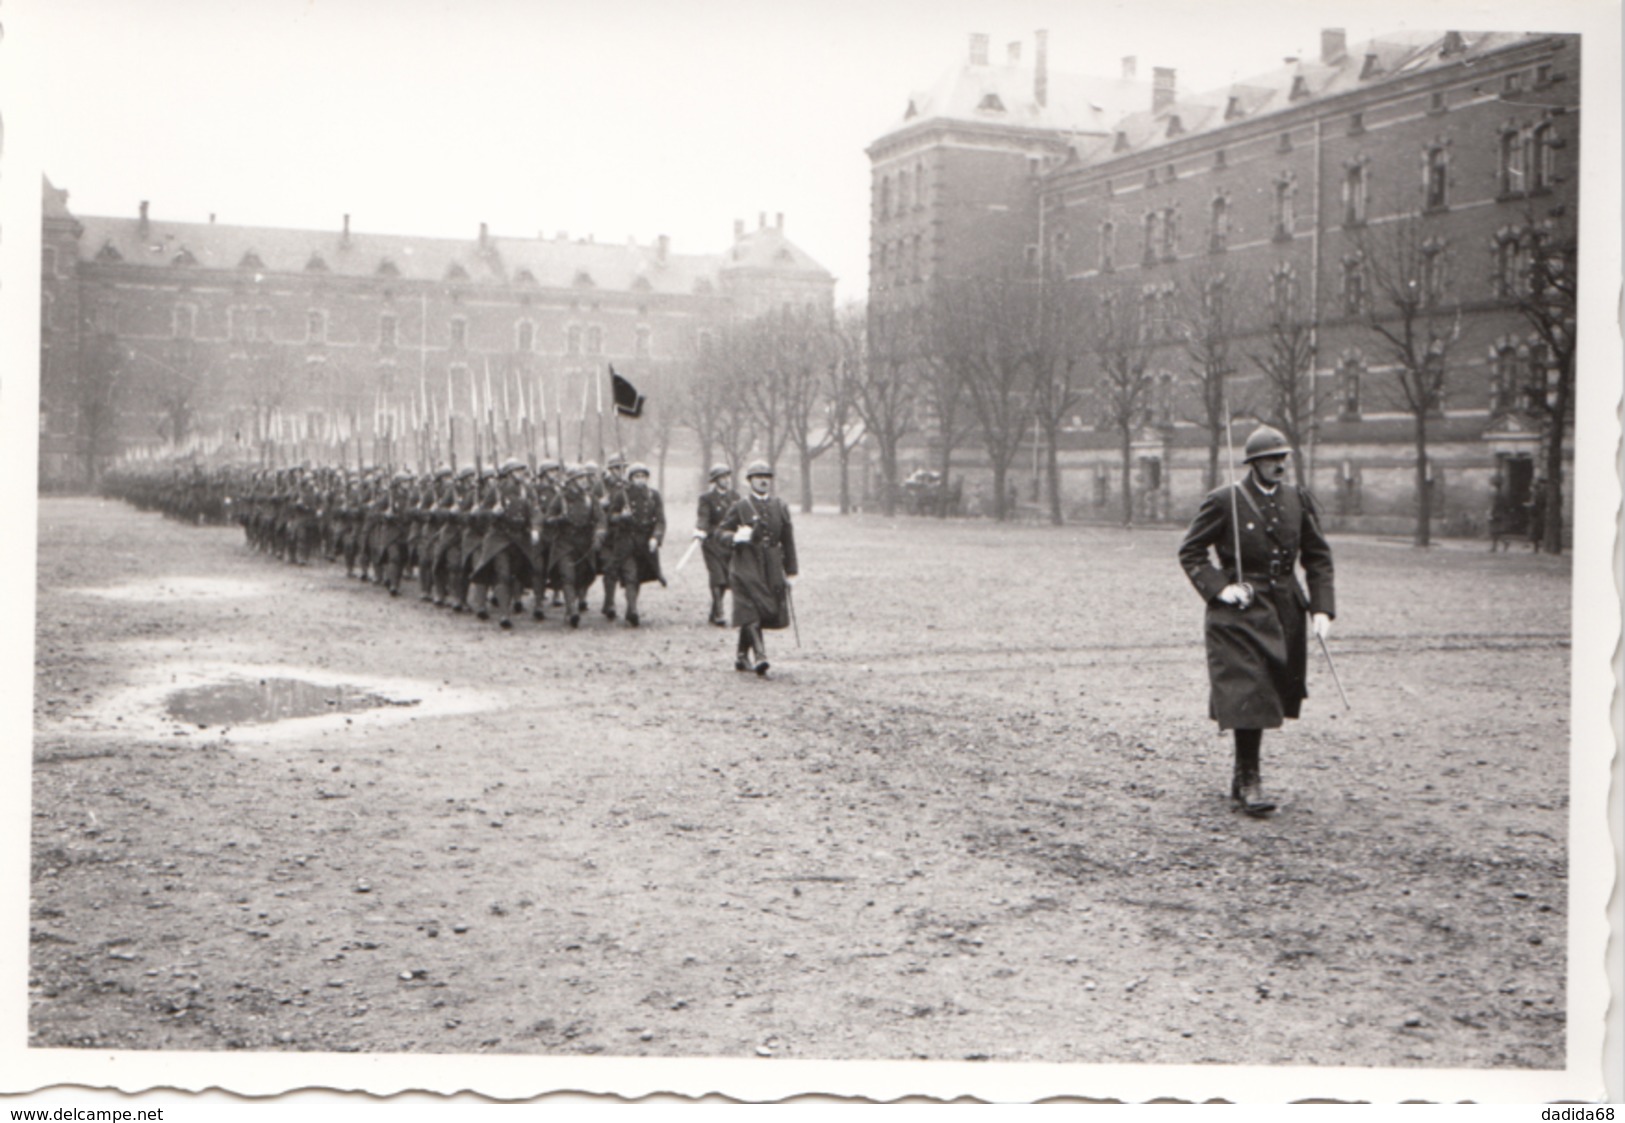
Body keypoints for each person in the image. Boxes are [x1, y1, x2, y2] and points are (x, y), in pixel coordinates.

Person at [1176, 425, 1335, 816]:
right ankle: (1251, 780)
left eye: (1283, 458)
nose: (1279, 465)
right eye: (1271, 458)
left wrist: (1321, 608)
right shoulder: (1225, 500)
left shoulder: (1298, 500)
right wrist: (1220, 589)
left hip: (1285, 609)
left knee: (1273, 690)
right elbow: (1191, 551)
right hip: (1239, 611)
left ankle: (1241, 774)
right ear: (1254, 463)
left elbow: (1317, 557)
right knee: (1250, 689)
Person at [720, 461, 798, 677]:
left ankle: (741, 655)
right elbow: (721, 532)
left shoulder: (780, 506)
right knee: (750, 606)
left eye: (766, 477)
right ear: (750, 481)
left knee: (763, 608)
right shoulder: (740, 506)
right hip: (745, 562)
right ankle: (760, 656)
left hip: (771, 564)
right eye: (758, 477)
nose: (763, 480)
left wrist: (791, 571)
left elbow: (788, 540)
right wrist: (735, 536)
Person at [543, 465, 607, 628]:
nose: (584, 481)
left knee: (581, 577)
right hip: (565, 544)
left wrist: (599, 533)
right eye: (580, 478)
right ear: (571, 481)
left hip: (584, 544)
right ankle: (572, 611)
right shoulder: (561, 498)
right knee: (568, 576)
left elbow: (601, 519)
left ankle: (574, 604)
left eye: (585, 478)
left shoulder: (590, 498)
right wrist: (559, 519)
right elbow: (547, 519)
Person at [604, 462, 665, 626]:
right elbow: (610, 517)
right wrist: (621, 516)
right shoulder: (621, 495)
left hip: (645, 542)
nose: (640, 480)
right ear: (631, 478)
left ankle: (631, 606)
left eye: (643, 476)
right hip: (626, 541)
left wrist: (656, 538)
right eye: (637, 477)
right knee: (630, 575)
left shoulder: (654, 495)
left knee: (638, 576)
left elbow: (660, 520)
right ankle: (632, 610)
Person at [694, 464, 738, 626]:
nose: (726, 480)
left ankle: (714, 612)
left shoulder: (735, 497)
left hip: (730, 543)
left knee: (727, 578)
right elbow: (703, 517)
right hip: (712, 543)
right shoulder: (706, 498)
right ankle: (719, 611)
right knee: (717, 576)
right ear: (715, 480)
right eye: (722, 478)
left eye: (727, 477)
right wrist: (700, 529)